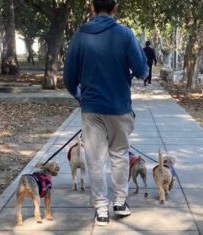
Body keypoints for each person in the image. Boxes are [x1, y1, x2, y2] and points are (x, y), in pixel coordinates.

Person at [63, 0, 148, 226]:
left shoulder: (80, 36)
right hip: (120, 106)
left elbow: (69, 78)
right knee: (120, 155)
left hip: (92, 108)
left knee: (95, 160)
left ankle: (101, 209)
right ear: (115, 8)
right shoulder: (125, 34)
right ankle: (120, 202)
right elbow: (141, 69)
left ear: (92, 8)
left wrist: (80, 96)